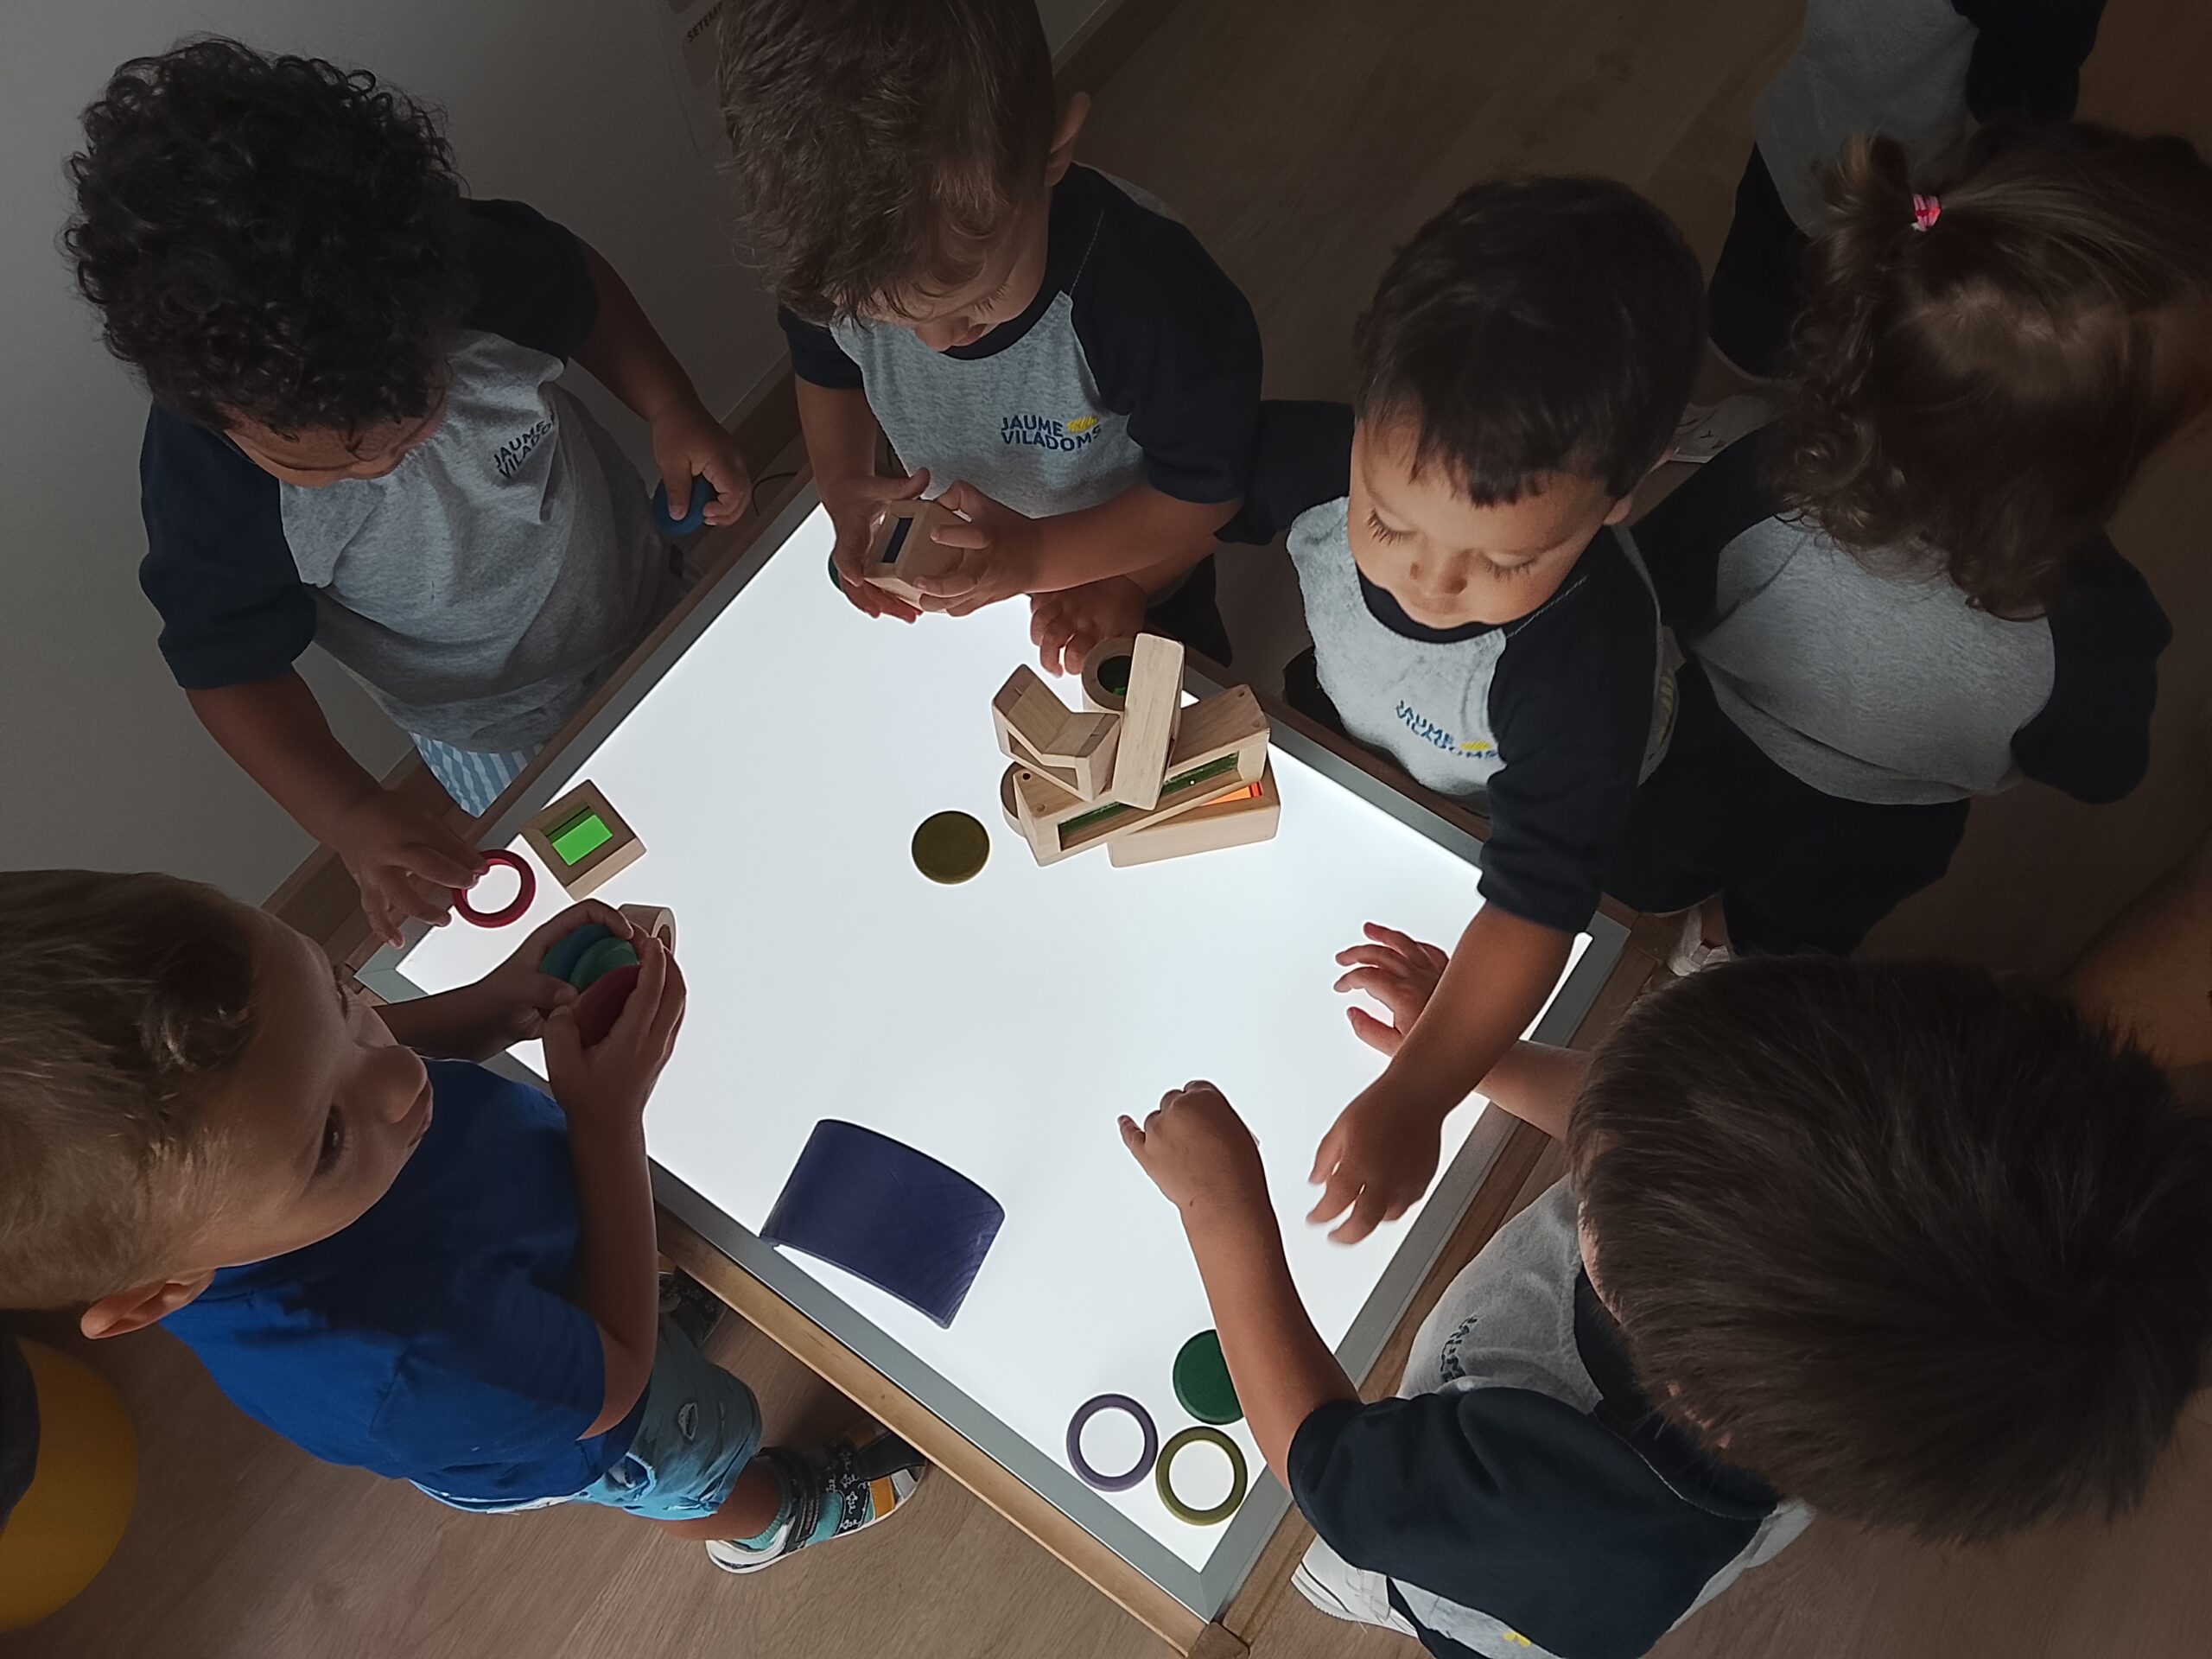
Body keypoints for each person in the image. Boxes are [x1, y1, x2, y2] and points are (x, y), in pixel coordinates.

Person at [1122, 949, 2212, 1659]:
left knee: (1400, 1568)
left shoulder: (1547, 1514)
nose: (1596, 1146)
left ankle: (1396, 1598)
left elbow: (1321, 1460)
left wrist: (1221, 1212)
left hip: (1491, 1574)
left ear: (1682, 1369)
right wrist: (1469, 1052)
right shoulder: (1811, 1353)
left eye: (1606, 1181)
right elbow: (1631, 1122)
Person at [0, 871, 923, 1573]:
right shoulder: (409, 1361)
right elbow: (616, 1381)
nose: (402, 1076)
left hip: (530, 1257)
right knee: (700, 1450)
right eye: (328, 1138)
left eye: (339, 997)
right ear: (158, 1292)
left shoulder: (236, 1162)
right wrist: (608, 1122)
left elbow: (350, 1061)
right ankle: (767, 1519)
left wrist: (492, 1005)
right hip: (590, 1412)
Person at [66, 41, 753, 945]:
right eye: (327, 468)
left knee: (735, 766)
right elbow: (230, 672)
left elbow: (582, 291)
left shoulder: (477, 269)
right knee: (628, 880)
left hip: (643, 591)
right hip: (491, 728)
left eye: (412, 425)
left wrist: (672, 405)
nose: (382, 468)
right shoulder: (209, 483)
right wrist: (351, 813)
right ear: (218, 415)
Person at [1188, 176, 1704, 1244]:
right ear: (1365, 413)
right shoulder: (1313, 452)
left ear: (1620, 498)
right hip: (1368, 720)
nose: (1428, 581)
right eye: (1386, 521)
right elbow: (1189, 496)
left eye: (1504, 562)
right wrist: (1103, 576)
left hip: (1516, 792)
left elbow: (1536, 902)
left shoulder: (1582, 664)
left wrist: (1419, 1092)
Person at [1612, 124, 2207, 965]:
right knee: (1793, 934)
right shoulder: (2097, 627)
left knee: (1641, 861)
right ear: (2100, 468)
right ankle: (1721, 953)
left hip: (1698, 751)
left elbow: (1645, 590)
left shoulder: (1776, 480)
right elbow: (2101, 769)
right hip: (1877, 829)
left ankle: (1637, 922)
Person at [718, 0, 1261, 669]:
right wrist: (842, 483)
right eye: (887, 320)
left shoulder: (1148, 294)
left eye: (979, 300)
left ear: (1053, 152)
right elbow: (825, 366)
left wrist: (1076, 568)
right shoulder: (840, 262)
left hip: (1136, 570)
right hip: (988, 583)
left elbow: (1209, 490)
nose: (936, 343)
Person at [1689, 0, 2106, 423]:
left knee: (1754, 316)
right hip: (1876, 187)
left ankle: (1708, 399)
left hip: (1812, 125)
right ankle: (1693, 409)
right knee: (1754, 333)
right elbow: (2019, 106)